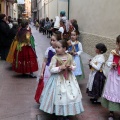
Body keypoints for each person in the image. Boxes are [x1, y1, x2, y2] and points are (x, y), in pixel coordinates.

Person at [39, 40, 84, 120]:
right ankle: (59, 113)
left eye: (58, 47)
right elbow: (51, 69)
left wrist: (71, 67)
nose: (56, 49)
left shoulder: (69, 57)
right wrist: (59, 68)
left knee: (67, 96)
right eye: (56, 47)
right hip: (57, 79)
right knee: (59, 96)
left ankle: (66, 113)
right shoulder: (55, 57)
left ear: (64, 48)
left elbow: (74, 65)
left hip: (69, 79)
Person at [34, 32, 61, 103]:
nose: (52, 41)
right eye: (51, 40)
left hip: (57, 70)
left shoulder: (61, 51)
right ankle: (46, 102)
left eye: (54, 40)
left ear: (58, 41)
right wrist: (42, 72)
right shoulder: (49, 50)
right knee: (47, 85)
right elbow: (44, 61)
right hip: (48, 70)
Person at [101, 35, 120, 120]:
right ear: (117, 43)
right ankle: (111, 112)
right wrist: (111, 64)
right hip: (114, 76)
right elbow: (108, 62)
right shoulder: (113, 52)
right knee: (113, 92)